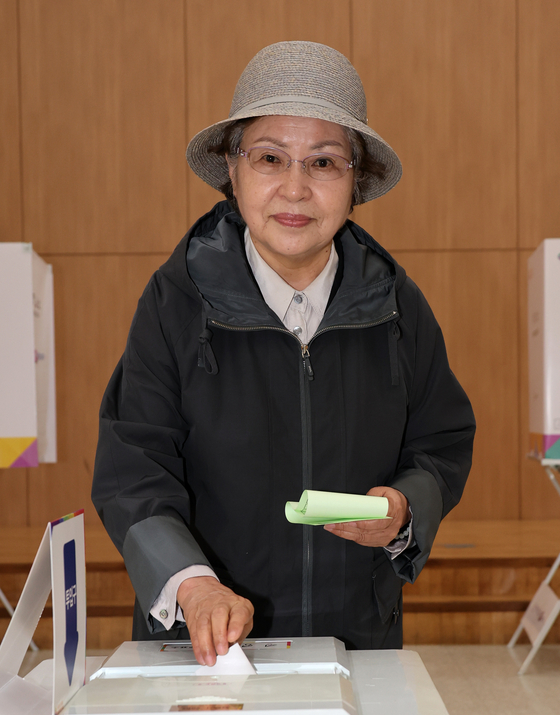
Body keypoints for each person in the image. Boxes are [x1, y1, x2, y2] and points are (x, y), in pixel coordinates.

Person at [92, 41, 475, 666]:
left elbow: (442, 440)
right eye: (270, 158)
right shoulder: (176, 301)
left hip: (358, 642)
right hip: (208, 653)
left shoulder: (396, 305)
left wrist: (405, 508)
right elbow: (132, 467)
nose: (295, 189)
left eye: (323, 163)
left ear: (355, 181)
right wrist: (193, 585)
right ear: (233, 169)